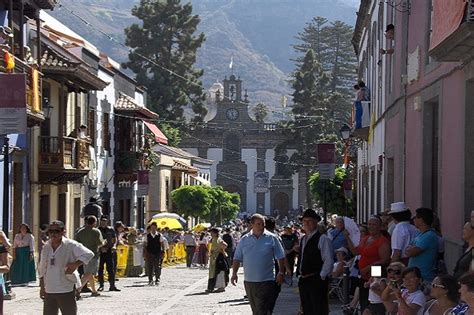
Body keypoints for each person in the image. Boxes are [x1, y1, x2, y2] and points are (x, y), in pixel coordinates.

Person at [232, 213, 288, 315]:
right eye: (258, 224)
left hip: (267, 280)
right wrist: (234, 273)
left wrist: (281, 272)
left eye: (263, 224)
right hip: (249, 281)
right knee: (256, 309)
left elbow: (280, 256)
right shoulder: (244, 240)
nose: (261, 227)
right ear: (251, 224)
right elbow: (237, 258)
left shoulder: (272, 238)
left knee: (262, 308)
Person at [38, 220, 94, 315]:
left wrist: (76, 264)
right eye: (51, 231)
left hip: (65, 288)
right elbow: (42, 267)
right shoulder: (46, 246)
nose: (53, 234)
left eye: (57, 231)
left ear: (63, 231)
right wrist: (42, 287)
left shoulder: (71, 245)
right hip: (50, 289)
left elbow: (89, 254)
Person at [345, 215, 391, 312]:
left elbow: (385, 260)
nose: (371, 226)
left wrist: (369, 268)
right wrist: (347, 237)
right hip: (363, 275)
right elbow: (355, 252)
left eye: (374, 224)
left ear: (380, 226)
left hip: (375, 274)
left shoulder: (383, 241)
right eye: (369, 224)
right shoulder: (365, 238)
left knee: (373, 302)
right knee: (363, 301)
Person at [296, 209, 334, 315]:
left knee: (319, 309)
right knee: (307, 309)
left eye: (310, 221)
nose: (306, 223)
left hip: (316, 279)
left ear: (316, 222)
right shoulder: (303, 239)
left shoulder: (322, 239)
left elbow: (328, 259)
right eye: (304, 221)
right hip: (304, 280)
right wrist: (299, 274)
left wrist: (321, 276)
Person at [75, 216, 104, 298]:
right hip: (93, 254)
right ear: (94, 222)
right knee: (89, 273)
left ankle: (94, 291)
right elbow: (100, 243)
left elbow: (77, 243)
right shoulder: (96, 231)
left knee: (89, 273)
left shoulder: (80, 231)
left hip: (83, 254)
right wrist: (104, 242)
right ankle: (78, 289)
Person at [406, 207, 438, 283]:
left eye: (415, 217)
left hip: (424, 277)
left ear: (422, 219)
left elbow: (411, 252)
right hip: (414, 277)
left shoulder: (429, 235)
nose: (413, 219)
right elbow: (407, 250)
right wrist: (410, 249)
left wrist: (411, 249)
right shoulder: (419, 234)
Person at [97, 215, 120, 292]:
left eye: (105, 221)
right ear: (100, 221)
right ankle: (101, 285)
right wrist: (100, 248)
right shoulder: (97, 230)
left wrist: (114, 246)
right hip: (100, 252)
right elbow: (95, 241)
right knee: (100, 269)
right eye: (102, 221)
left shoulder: (111, 230)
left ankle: (112, 285)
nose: (104, 222)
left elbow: (115, 239)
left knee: (111, 269)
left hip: (110, 251)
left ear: (107, 221)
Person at [206, 228, 228, 293]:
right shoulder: (213, 239)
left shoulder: (218, 239)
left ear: (215, 233)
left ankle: (220, 287)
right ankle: (211, 287)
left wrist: (220, 250)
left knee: (219, 271)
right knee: (213, 272)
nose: (211, 234)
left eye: (212, 233)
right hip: (214, 257)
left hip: (218, 257)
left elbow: (225, 245)